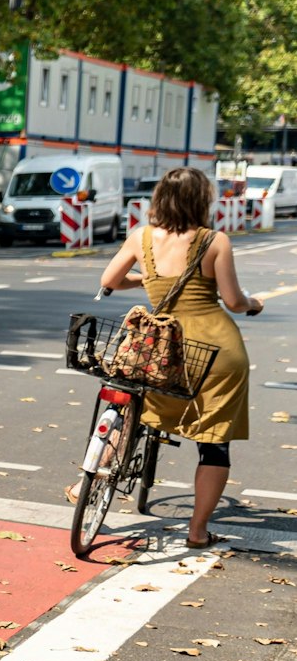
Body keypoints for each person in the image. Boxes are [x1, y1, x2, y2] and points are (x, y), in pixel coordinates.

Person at [88, 167, 261, 547]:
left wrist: (149, 279)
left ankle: (95, 472)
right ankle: (197, 532)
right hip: (214, 352)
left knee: (133, 408)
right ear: (202, 201)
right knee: (214, 444)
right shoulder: (215, 241)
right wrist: (254, 303)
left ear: (160, 199)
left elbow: (110, 281)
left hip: (160, 350)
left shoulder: (141, 237)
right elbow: (232, 300)